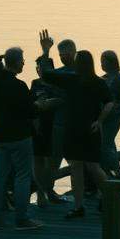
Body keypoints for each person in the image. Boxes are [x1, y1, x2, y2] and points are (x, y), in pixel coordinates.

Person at [38, 40, 114, 217]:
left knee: (76, 169)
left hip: (72, 129)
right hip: (91, 129)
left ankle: (79, 206)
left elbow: (45, 74)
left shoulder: (70, 80)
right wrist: (100, 120)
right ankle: (110, 195)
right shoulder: (99, 82)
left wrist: (45, 52)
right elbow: (109, 102)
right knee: (94, 167)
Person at [0, 46, 45, 230]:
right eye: (23, 60)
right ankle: (22, 218)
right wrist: (40, 105)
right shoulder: (19, 86)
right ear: (16, 62)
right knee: (23, 176)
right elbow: (30, 111)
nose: (24, 63)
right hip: (19, 136)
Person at [47, 38, 77, 197]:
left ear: (73, 52)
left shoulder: (81, 73)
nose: (62, 57)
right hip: (59, 123)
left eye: (65, 54)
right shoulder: (57, 73)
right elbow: (45, 76)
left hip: (75, 124)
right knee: (54, 159)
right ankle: (48, 191)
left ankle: (77, 188)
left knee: (76, 161)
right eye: (60, 55)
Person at [30, 59, 62, 206]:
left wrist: (52, 102)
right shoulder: (35, 83)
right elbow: (31, 104)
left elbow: (63, 101)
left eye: (43, 67)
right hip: (38, 127)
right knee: (38, 160)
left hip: (55, 126)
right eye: (38, 67)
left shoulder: (59, 84)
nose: (40, 70)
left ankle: (49, 189)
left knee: (53, 162)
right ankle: (41, 193)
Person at [99, 50, 120, 177]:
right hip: (104, 117)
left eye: (104, 60)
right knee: (109, 143)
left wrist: (117, 108)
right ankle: (115, 170)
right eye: (101, 60)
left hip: (115, 117)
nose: (101, 63)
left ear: (111, 62)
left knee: (105, 144)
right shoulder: (103, 78)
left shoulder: (119, 78)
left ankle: (114, 172)